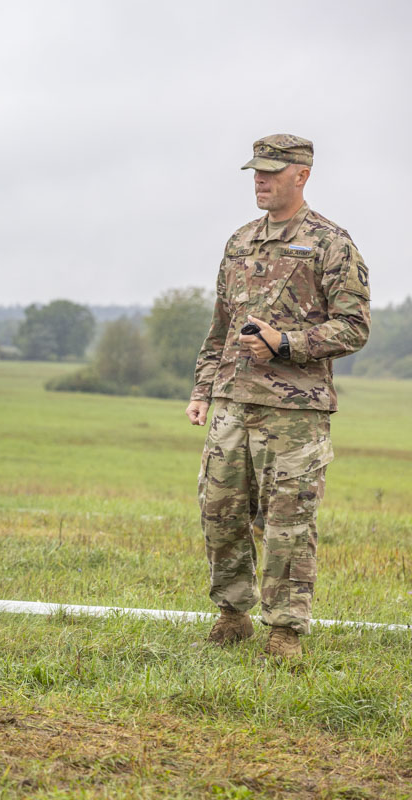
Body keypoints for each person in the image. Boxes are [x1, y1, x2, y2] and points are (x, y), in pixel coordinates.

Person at [186, 134, 370, 659]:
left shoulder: (331, 243)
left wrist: (287, 343)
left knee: (288, 520)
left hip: (295, 412)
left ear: (301, 175)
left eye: (270, 171)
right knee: (219, 510)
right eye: (255, 172)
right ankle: (232, 614)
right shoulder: (240, 242)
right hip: (232, 405)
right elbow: (220, 327)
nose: (260, 180)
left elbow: (354, 327)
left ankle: (284, 630)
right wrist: (203, 390)